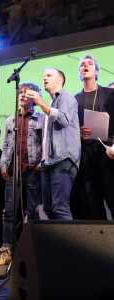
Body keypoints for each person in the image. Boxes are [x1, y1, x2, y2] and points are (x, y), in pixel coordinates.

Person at [0, 81, 45, 266]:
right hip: (13, 173)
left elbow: (46, 143)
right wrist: (3, 165)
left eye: (27, 92)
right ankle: (6, 250)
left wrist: (41, 164)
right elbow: (6, 145)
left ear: (34, 98)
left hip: (32, 171)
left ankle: (35, 250)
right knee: (9, 214)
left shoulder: (41, 118)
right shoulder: (10, 119)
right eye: (20, 92)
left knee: (33, 213)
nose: (22, 95)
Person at [26, 68, 81, 220]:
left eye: (49, 75)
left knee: (60, 206)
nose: (44, 78)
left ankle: (69, 244)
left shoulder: (66, 97)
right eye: (43, 75)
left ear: (59, 80)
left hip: (63, 158)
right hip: (48, 162)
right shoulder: (50, 103)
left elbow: (63, 119)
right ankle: (57, 243)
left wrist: (39, 102)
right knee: (49, 209)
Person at [70, 55, 114, 219]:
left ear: (96, 71)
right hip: (86, 155)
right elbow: (70, 128)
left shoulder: (110, 94)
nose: (85, 66)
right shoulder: (74, 100)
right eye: (82, 64)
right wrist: (78, 133)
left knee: (112, 196)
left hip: (108, 152)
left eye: (89, 64)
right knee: (92, 203)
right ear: (80, 73)